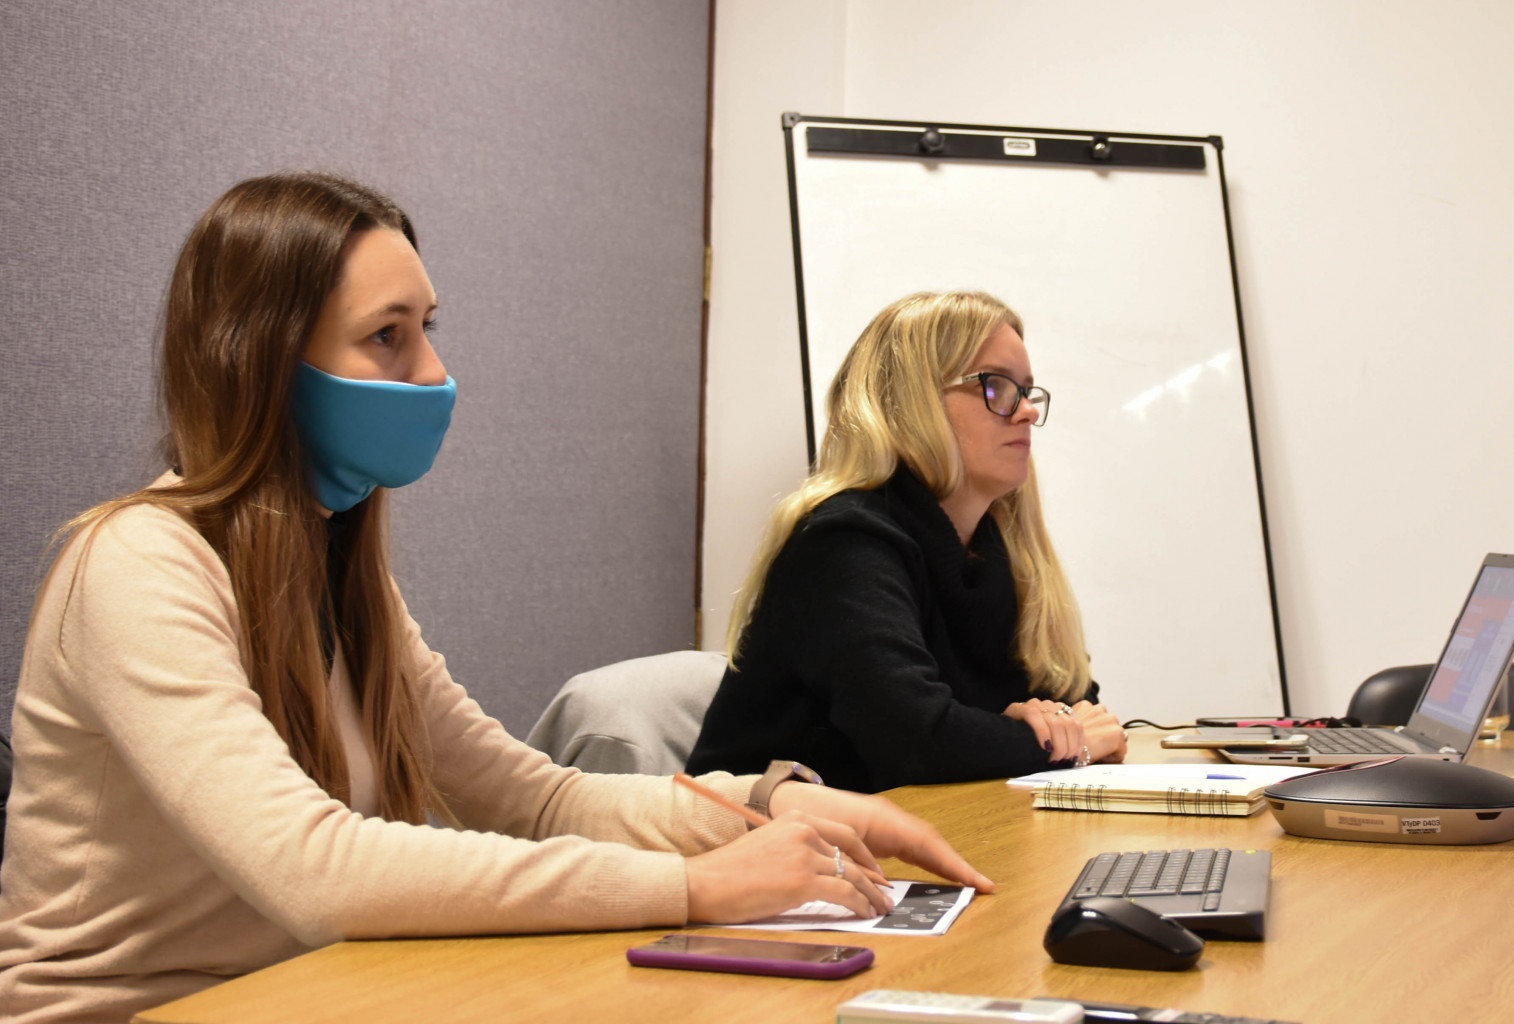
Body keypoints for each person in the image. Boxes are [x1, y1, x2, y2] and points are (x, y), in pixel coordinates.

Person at [0, 174, 990, 1024]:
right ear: (257, 361)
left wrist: (765, 804)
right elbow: (314, 871)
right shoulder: (134, 563)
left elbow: (536, 799)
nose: (433, 373)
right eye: (386, 337)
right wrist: (691, 886)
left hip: (303, 998)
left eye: (426, 330)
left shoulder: (334, 571)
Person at [687, 291, 1129, 793]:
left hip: (914, 829)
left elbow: (1082, 710)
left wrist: (1048, 729)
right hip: (760, 835)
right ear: (910, 402)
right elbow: (918, 741)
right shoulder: (843, 542)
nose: (1026, 410)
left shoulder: (1001, 551)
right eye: (997, 386)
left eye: (1027, 391)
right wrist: (1052, 740)